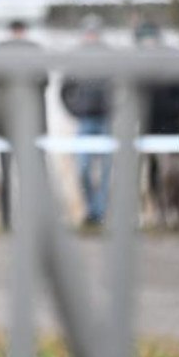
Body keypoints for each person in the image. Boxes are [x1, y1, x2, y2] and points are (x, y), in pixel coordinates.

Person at [0, 19, 47, 230]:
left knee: (15, 175)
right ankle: (20, 220)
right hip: (21, 123)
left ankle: (11, 221)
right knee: (25, 175)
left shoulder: (0, 52)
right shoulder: (34, 52)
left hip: (13, 122)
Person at [133, 21, 179, 229]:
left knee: (176, 173)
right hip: (152, 128)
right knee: (157, 173)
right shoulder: (141, 69)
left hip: (174, 128)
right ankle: (161, 213)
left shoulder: (173, 66)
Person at [60, 13, 112, 227]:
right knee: (83, 169)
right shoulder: (75, 58)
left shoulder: (111, 58)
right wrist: (76, 110)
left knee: (107, 172)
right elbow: (65, 91)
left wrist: (114, 110)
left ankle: (100, 213)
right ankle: (92, 211)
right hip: (85, 121)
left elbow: (122, 89)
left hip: (107, 121)